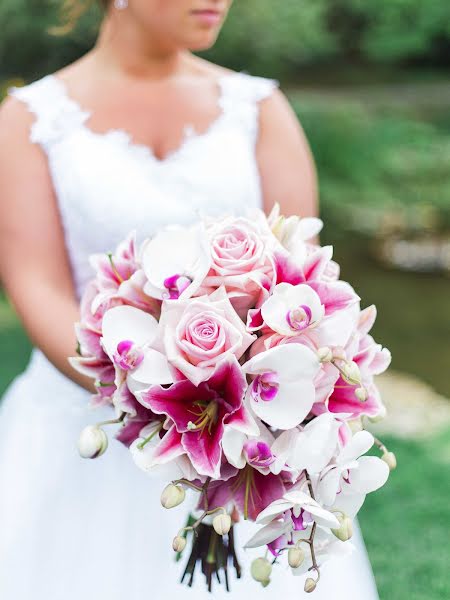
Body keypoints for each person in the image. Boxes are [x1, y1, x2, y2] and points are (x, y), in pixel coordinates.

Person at [0, 1, 380, 598]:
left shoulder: (258, 109)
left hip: (246, 420)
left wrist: (250, 407)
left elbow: (298, 268)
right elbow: (36, 284)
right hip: (89, 421)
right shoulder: (29, 121)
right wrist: (159, 397)